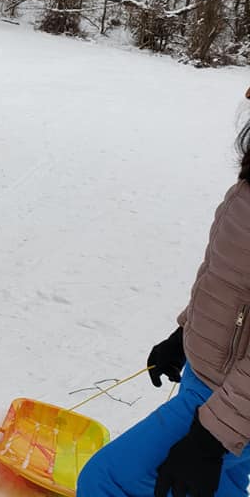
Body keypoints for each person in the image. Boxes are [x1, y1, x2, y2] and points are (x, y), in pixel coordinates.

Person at [76, 119, 250, 497]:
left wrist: (211, 438)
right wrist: (185, 335)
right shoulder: (245, 191)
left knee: (107, 479)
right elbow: (225, 284)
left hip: (229, 401)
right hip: (213, 382)